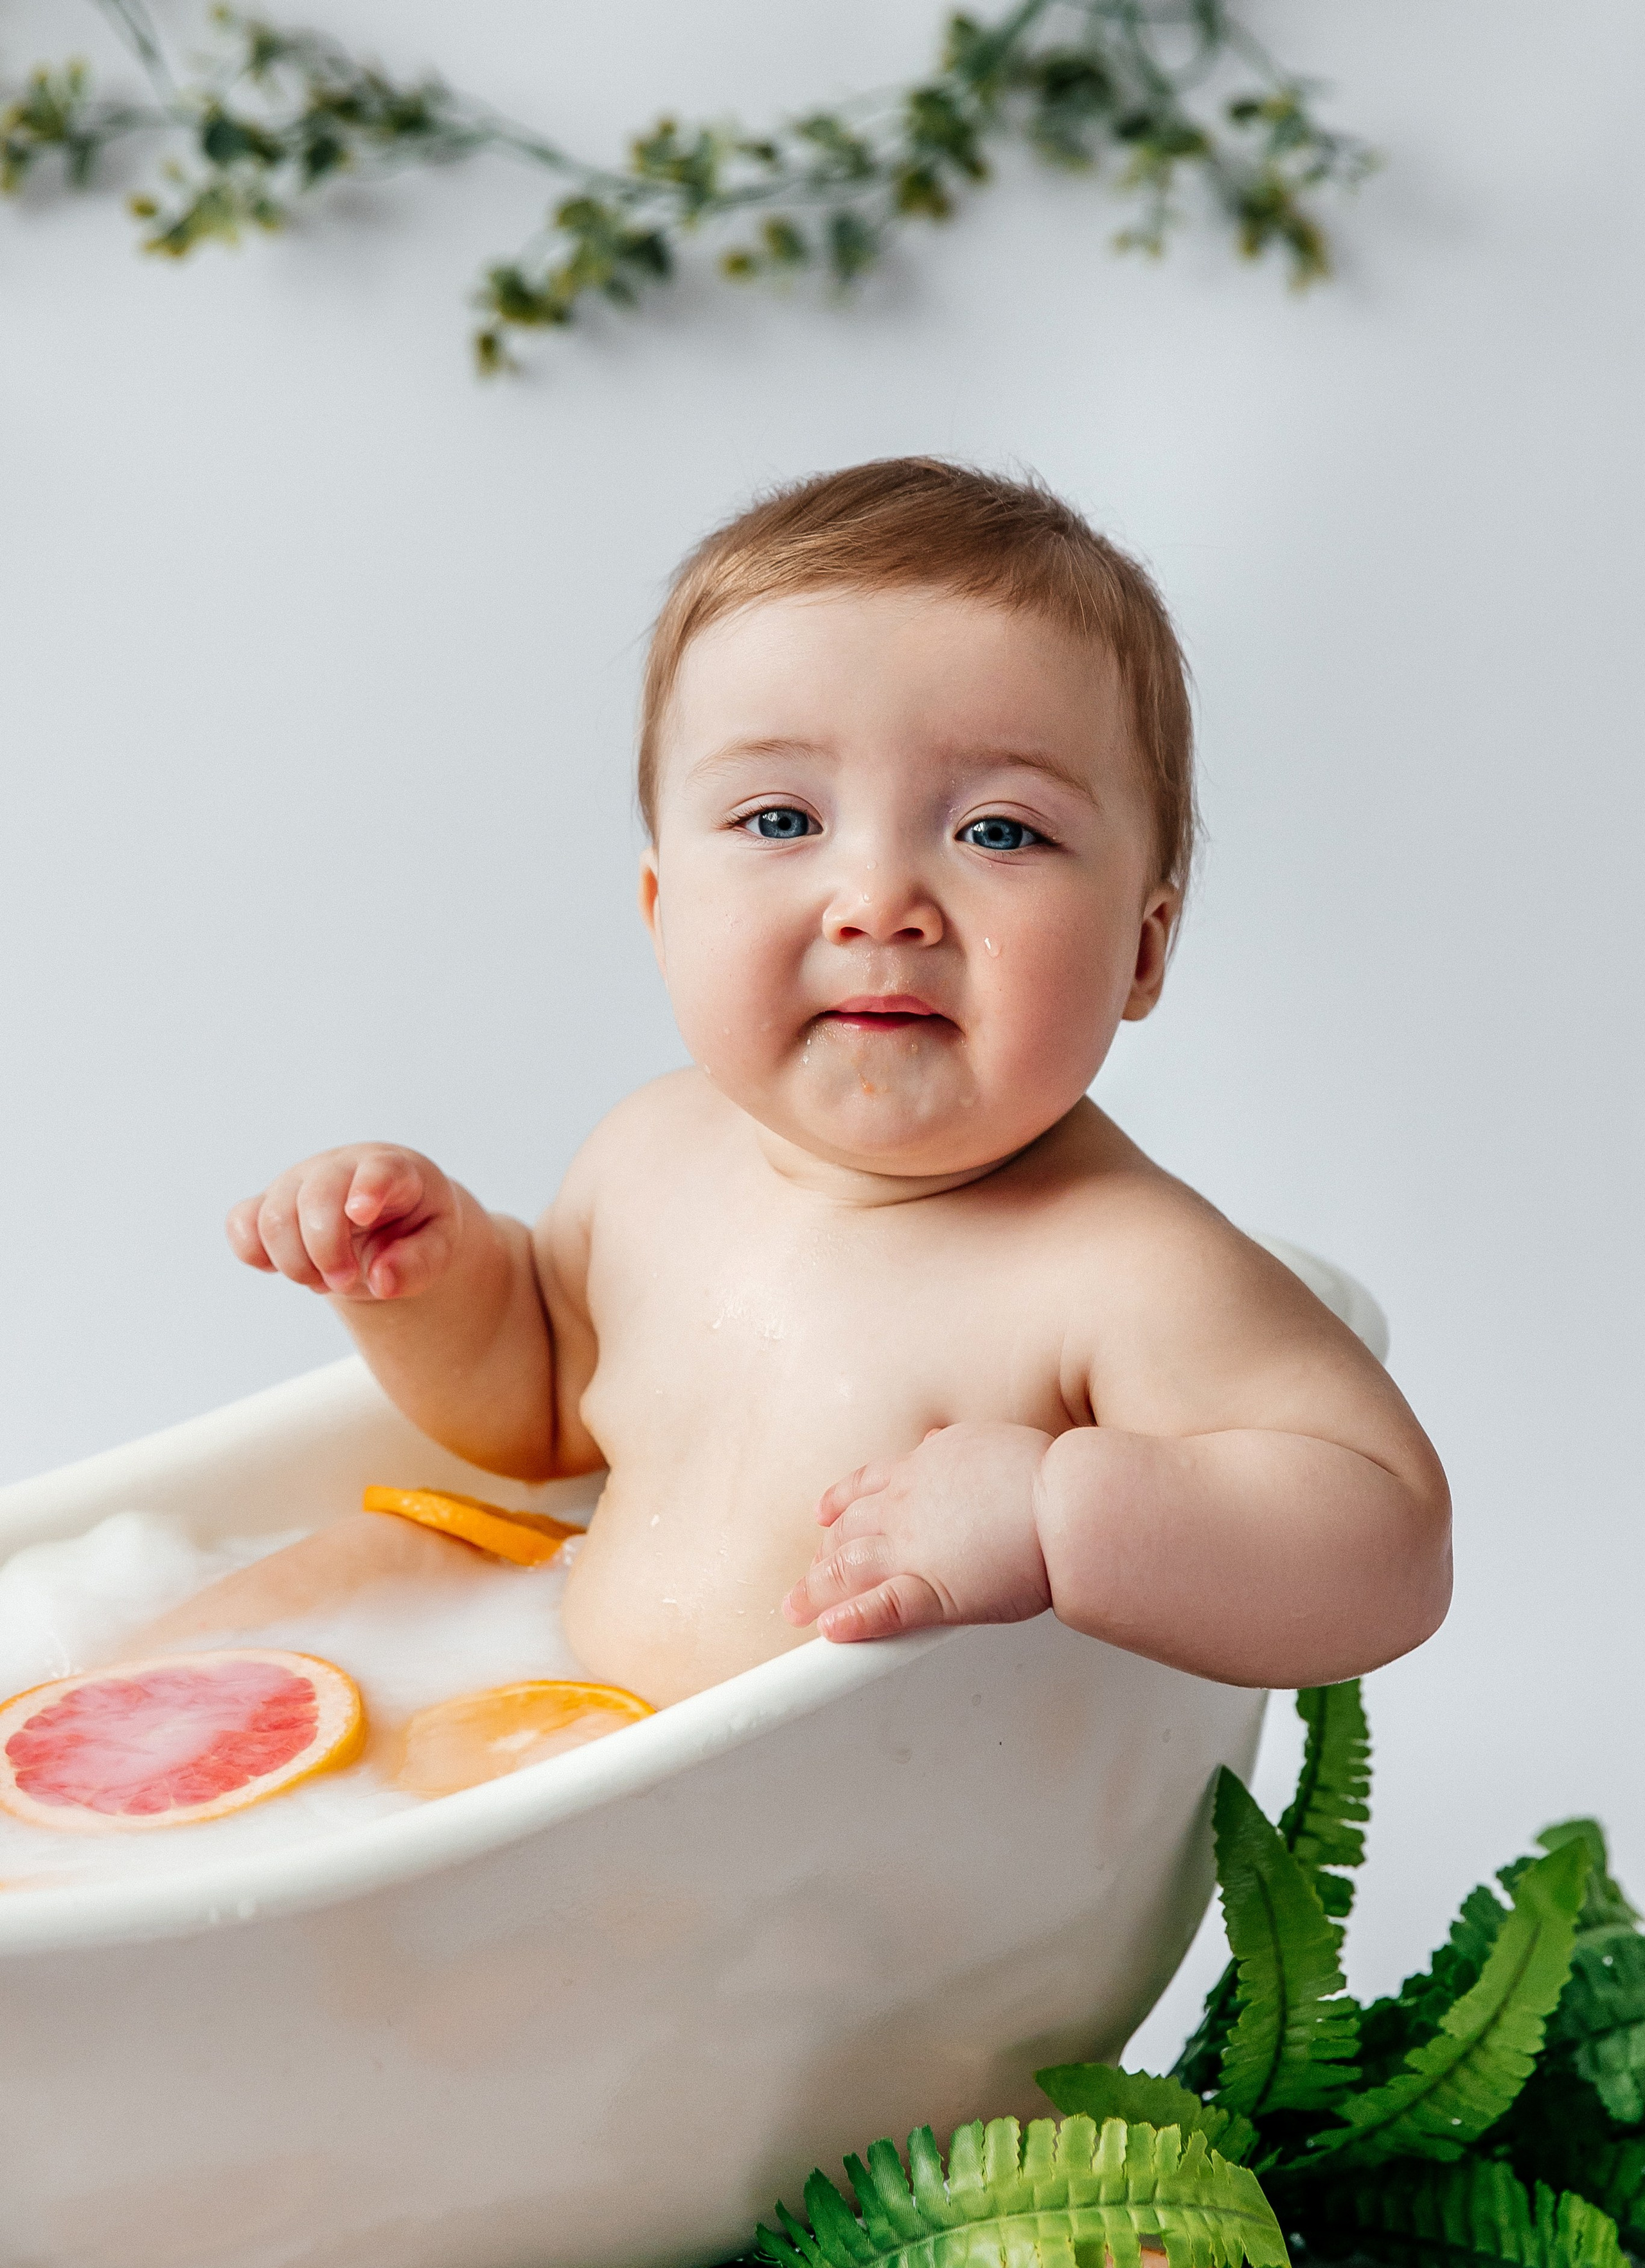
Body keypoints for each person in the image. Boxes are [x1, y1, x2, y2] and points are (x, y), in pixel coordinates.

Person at [132, 459, 1451, 1711]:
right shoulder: (651, 1158)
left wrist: (1054, 1509)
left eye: (998, 830)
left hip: (837, 1836)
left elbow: (1386, 1540)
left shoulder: (1118, 1270)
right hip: (568, 1736)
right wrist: (434, 1286)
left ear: (1142, 950)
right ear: (662, 909)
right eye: (782, 820)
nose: (878, 899)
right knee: (271, 1606)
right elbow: (546, 1409)